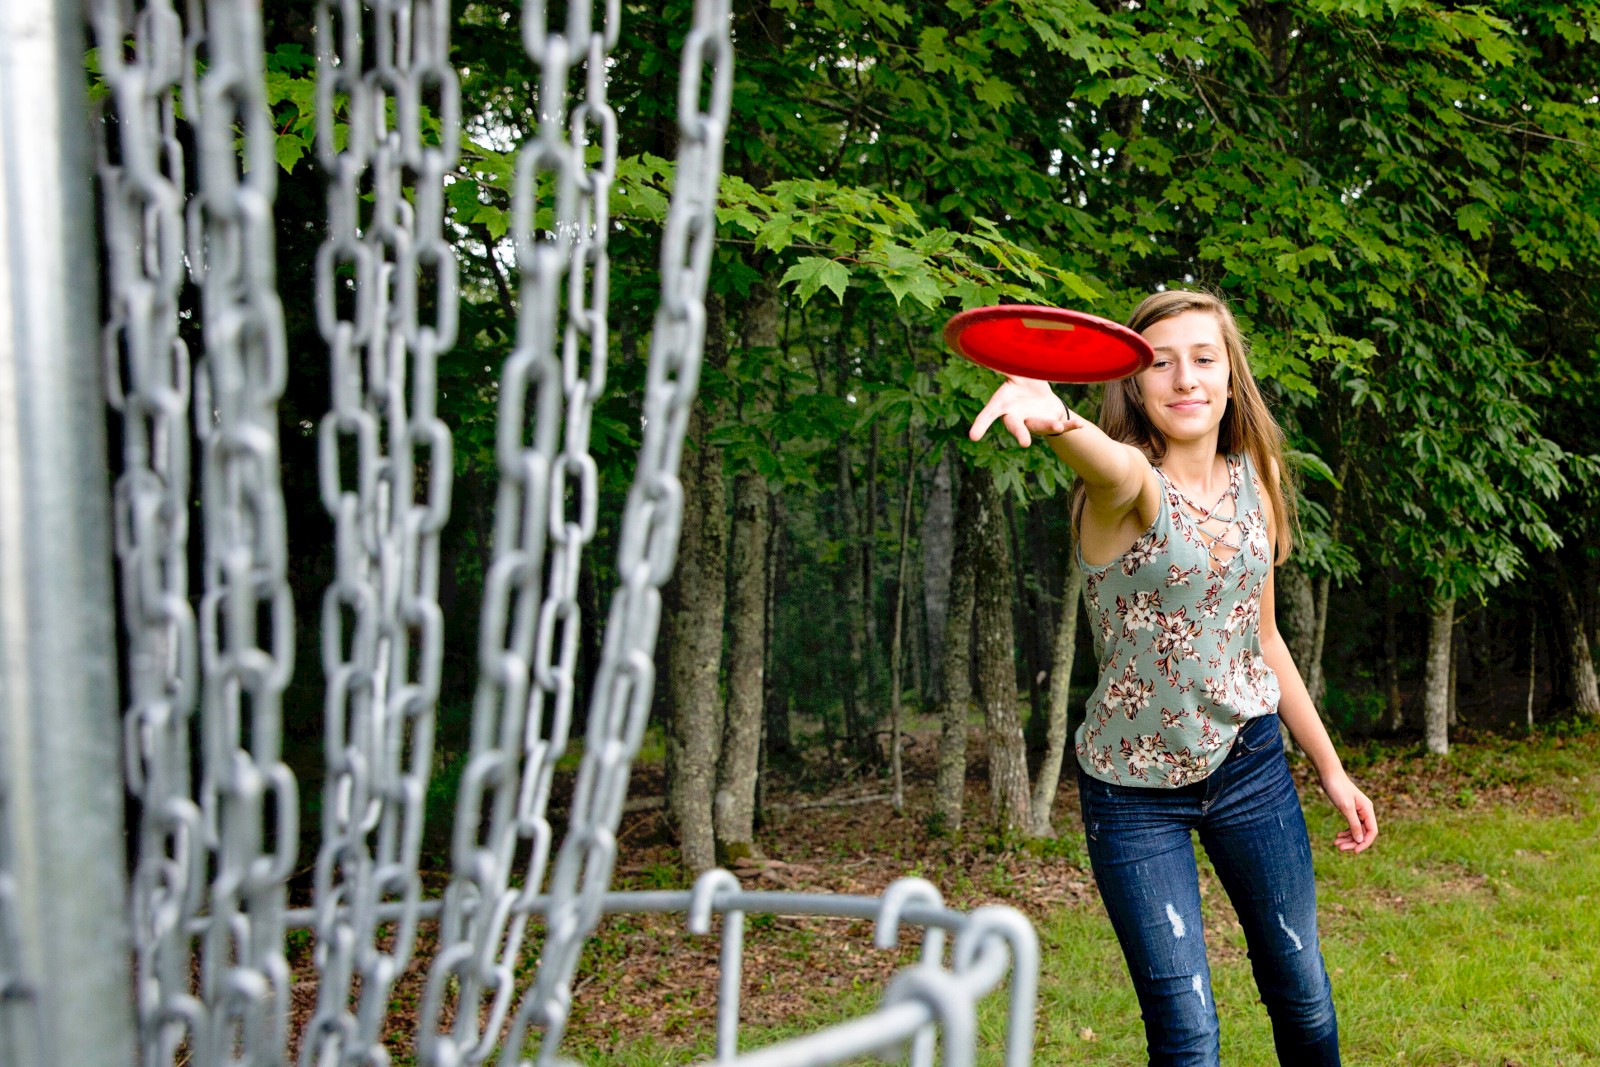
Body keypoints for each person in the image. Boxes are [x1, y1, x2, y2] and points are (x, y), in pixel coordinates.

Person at [968, 289, 1378, 1067]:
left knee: (1301, 988)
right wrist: (1057, 420)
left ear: (1231, 377)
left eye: (1203, 358)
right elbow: (1114, 461)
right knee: (1187, 1034)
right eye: (1160, 362)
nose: (1184, 378)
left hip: (1251, 764)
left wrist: (1330, 767)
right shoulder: (1119, 488)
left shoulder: (1255, 474)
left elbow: (1263, 638)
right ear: (1134, 382)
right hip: (1130, 796)